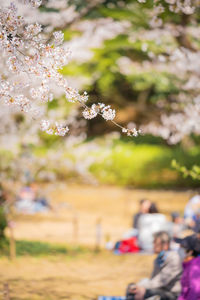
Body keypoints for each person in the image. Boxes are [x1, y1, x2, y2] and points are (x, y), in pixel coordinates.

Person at [126, 231, 182, 300]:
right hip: (160, 289)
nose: (153, 244)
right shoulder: (159, 259)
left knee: (145, 292)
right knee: (131, 288)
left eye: (155, 242)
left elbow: (161, 281)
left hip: (172, 294)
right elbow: (153, 279)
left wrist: (142, 287)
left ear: (165, 245)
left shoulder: (174, 258)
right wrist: (137, 286)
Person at [174, 234, 200, 300]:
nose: (179, 249)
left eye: (182, 247)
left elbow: (195, 291)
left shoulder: (195, 267)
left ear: (190, 252)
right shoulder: (187, 265)